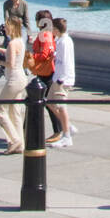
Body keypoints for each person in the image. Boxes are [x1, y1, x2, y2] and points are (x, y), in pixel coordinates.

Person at [0, 16, 28, 153]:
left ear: (12, 27)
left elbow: (10, 64)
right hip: (21, 78)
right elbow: (15, 56)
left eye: (7, 26)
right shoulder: (20, 41)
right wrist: (1, 50)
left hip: (13, 79)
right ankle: (20, 144)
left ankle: (14, 139)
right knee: (15, 111)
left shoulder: (12, 44)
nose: (5, 28)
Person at [25, 10, 60, 140]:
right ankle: (59, 129)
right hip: (47, 72)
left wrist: (31, 56)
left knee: (43, 102)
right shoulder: (49, 34)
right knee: (45, 102)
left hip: (45, 73)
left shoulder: (45, 35)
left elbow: (44, 55)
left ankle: (59, 130)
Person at [47, 17, 77, 147]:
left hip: (62, 80)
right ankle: (68, 126)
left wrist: (62, 80)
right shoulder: (62, 41)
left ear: (56, 29)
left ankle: (67, 136)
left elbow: (66, 62)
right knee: (49, 102)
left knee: (61, 106)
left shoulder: (64, 42)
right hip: (57, 78)